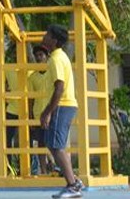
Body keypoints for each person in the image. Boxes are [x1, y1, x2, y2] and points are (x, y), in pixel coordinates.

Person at [40, 24, 82, 199]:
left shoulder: (56, 58)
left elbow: (59, 87)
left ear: (54, 40)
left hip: (62, 105)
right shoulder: (58, 57)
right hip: (63, 105)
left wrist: (48, 112)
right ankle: (74, 181)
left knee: (56, 145)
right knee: (53, 144)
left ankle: (73, 186)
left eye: (47, 34)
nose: (44, 36)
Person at [28, 44, 51, 175]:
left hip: (52, 114)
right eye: (36, 56)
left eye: (41, 55)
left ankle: (57, 168)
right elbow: (30, 99)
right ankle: (44, 171)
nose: (38, 58)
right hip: (38, 115)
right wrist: (30, 116)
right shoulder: (32, 77)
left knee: (55, 144)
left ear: (47, 57)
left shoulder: (52, 73)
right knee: (41, 144)